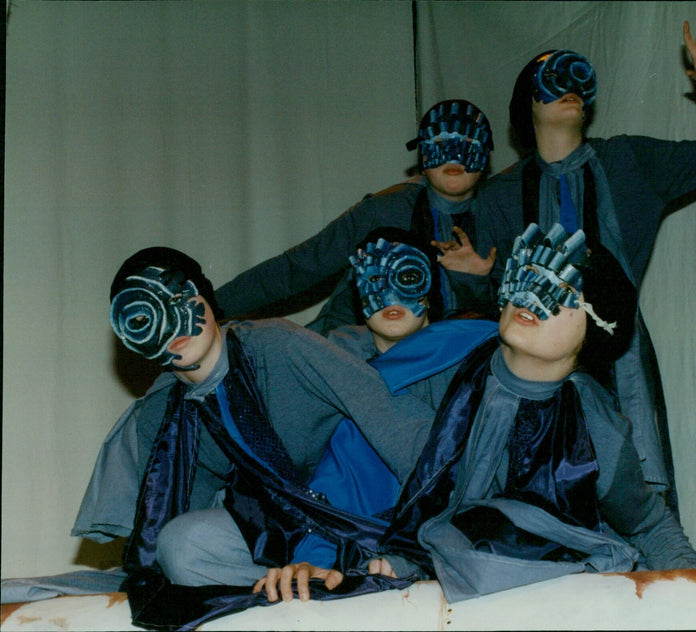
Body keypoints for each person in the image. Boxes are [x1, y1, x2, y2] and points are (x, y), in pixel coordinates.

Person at [373, 224, 696, 630]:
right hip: (457, 571)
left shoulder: (591, 415)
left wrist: (693, 586)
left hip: (582, 572)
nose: (533, 297)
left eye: (563, 293)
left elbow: (645, 522)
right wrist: (399, 559)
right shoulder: (443, 364)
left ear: (594, 331)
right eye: (531, 276)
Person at [72, 246, 440, 629]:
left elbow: (402, 432)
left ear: (208, 299)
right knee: (180, 544)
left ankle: (354, 572)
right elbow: (178, 523)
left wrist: (411, 548)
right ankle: (292, 586)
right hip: (278, 529)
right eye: (144, 315)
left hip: (366, 503)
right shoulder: (164, 415)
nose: (174, 325)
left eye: (181, 298)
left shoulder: (280, 346)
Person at [475, 13, 696, 510]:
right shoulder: (498, 197)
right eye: (555, 79)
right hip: (533, 372)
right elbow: (494, 299)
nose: (572, 87)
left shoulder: (628, 162)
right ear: (527, 102)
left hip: (621, 365)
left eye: (581, 79)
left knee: (638, 496)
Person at [255, 228, 498, 602]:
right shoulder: (327, 357)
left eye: (407, 275)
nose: (391, 295)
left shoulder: (476, 350)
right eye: (373, 280)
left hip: (446, 529)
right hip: (326, 526)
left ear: (429, 283)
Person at [214, 99, 498, 333]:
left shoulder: (503, 216)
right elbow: (298, 267)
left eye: (467, 145)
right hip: (356, 353)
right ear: (422, 157)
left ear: (485, 157)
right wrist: (209, 309)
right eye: (441, 142)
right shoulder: (383, 211)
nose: (453, 158)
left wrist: (473, 283)